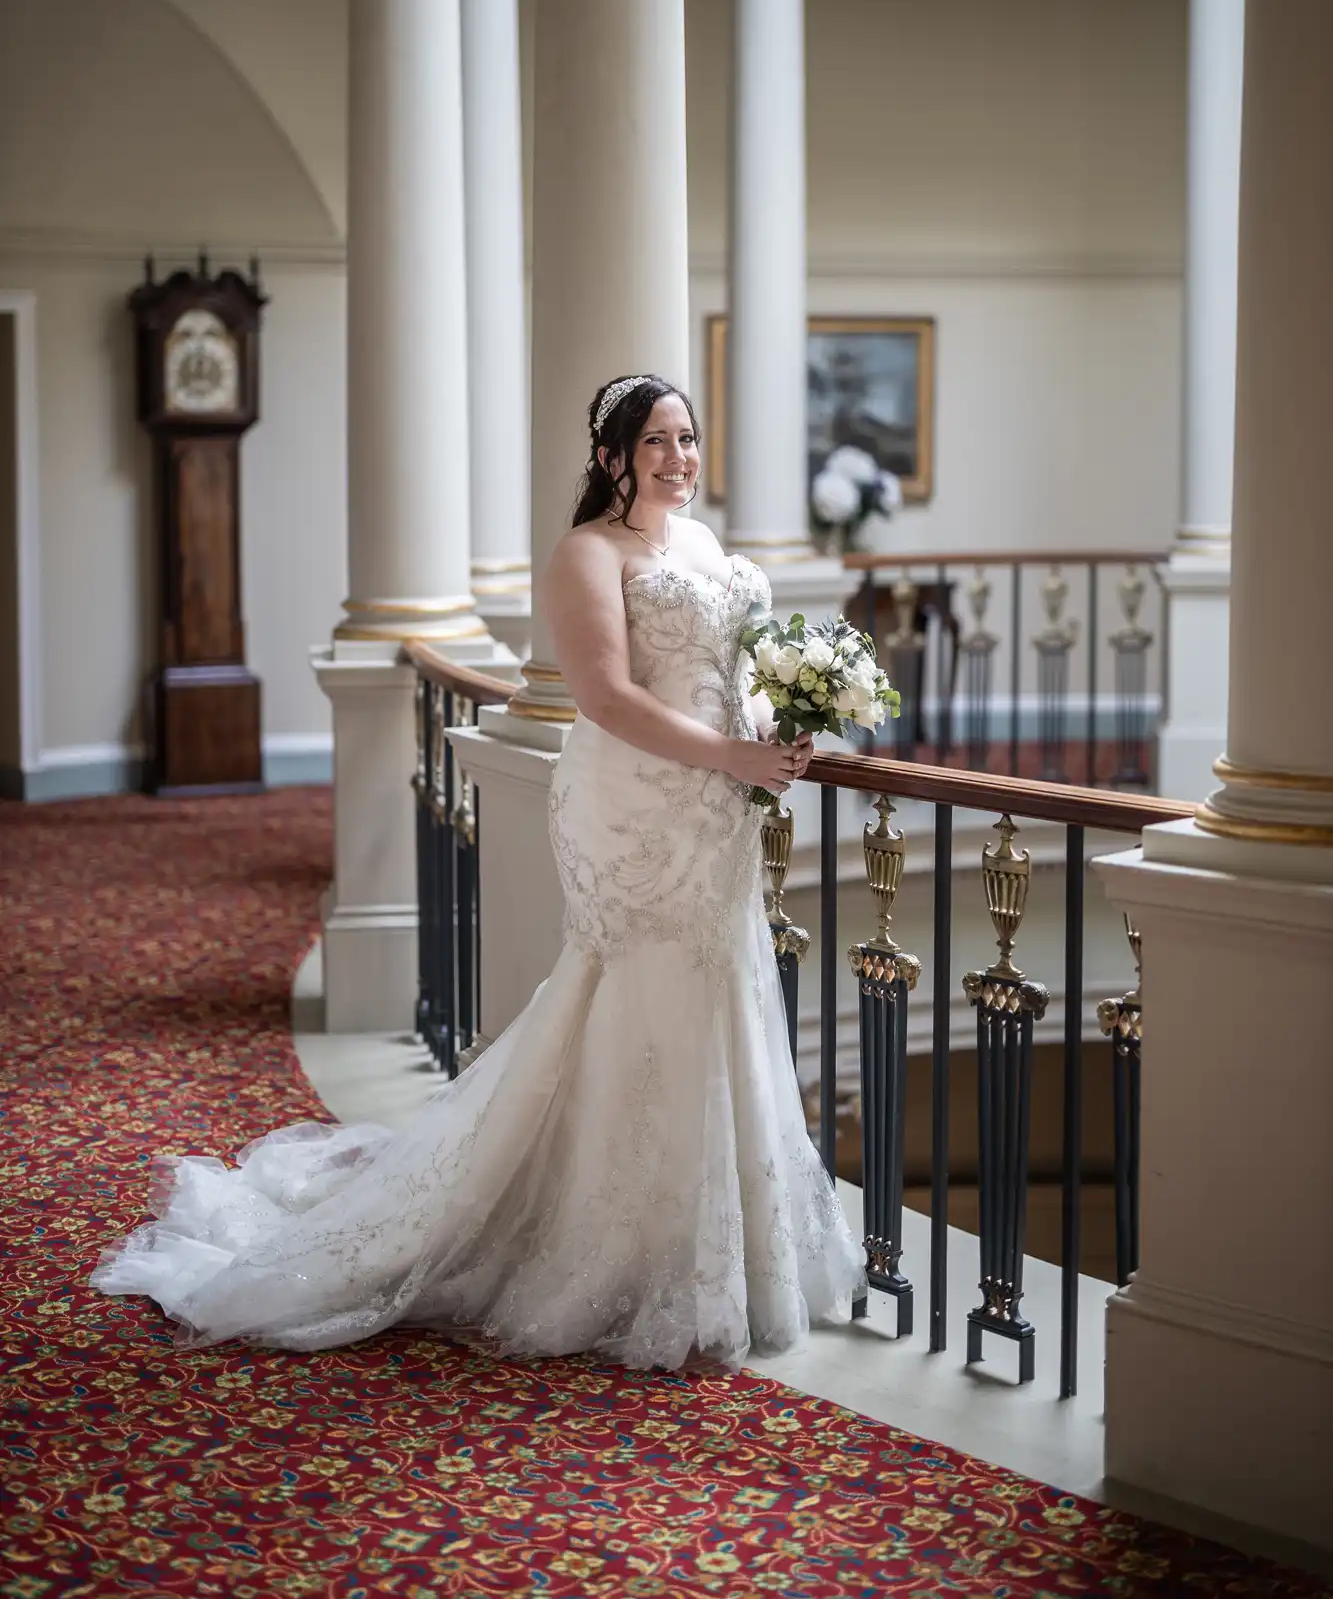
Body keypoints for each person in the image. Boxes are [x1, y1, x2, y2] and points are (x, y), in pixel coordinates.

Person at [92, 375, 865, 1369]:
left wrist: (761, 726)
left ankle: (725, 1245)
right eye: (656, 440)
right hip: (635, 805)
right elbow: (607, 697)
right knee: (637, 992)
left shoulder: (706, 546)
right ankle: (612, 1242)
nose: (678, 456)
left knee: (719, 984)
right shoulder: (586, 552)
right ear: (611, 457)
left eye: (687, 436)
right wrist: (729, 755)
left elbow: (726, 671)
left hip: (715, 805)